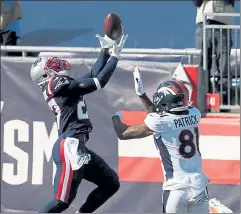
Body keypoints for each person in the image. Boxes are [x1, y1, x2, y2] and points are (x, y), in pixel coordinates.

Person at [30, 33, 128, 213]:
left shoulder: (62, 85)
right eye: (50, 65)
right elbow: (98, 82)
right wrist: (115, 57)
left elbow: (91, 75)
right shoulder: (55, 83)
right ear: (46, 73)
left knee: (110, 183)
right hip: (69, 146)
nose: (56, 64)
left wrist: (105, 51)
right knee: (61, 201)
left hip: (78, 146)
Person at [111, 67, 210, 213]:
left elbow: (123, 133)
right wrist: (142, 95)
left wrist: (114, 116)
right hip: (199, 186)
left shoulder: (160, 121)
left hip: (176, 189)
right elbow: (160, 115)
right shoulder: (194, 114)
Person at [193, 0, 235, 96]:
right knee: (201, 62)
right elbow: (196, 2)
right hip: (203, 24)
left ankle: (223, 97)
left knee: (223, 63)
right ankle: (202, 96)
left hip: (223, 25)